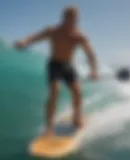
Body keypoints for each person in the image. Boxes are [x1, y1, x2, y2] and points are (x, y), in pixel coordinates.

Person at [14, 6, 98, 136]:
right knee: (55, 90)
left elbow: (90, 54)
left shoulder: (79, 36)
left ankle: (77, 117)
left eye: (76, 19)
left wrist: (94, 70)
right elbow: (36, 37)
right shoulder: (53, 31)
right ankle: (49, 126)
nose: (74, 22)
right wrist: (24, 42)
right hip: (55, 65)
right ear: (64, 18)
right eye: (71, 19)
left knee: (77, 91)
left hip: (69, 66)